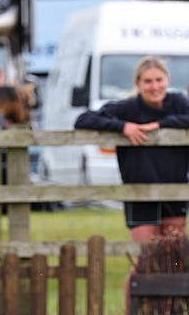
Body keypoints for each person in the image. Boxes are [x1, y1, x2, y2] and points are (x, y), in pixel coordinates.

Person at [74, 56, 189, 242]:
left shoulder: (179, 103)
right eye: (148, 81)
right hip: (139, 192)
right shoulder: (128, 107)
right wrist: (123, 127)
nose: (155, 86)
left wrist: (161, 124)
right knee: (145, 259)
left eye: (159, 80)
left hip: (174, 190)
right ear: (137, 83)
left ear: (168, 80)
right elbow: (83, 120)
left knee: (173, 257)